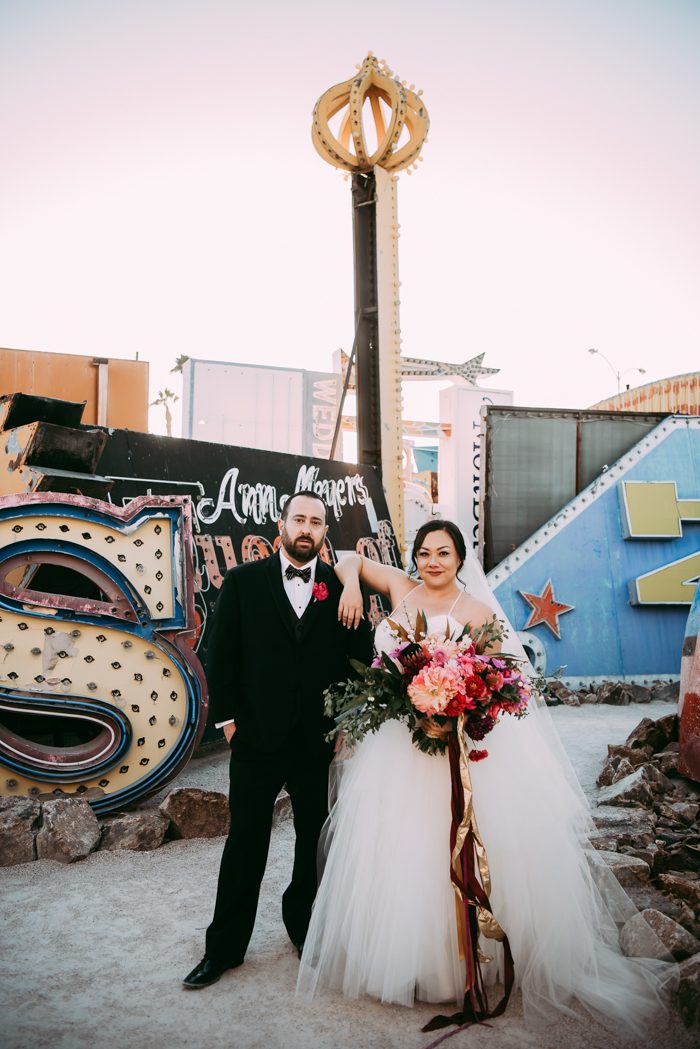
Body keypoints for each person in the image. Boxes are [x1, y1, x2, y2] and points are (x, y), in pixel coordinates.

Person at [297, 519, 674, 1036]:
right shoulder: (401, 589)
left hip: (456, 748)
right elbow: (349, 559)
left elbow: (502, 680)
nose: (433, 562)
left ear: (459, 558)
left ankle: (464, 962)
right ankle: (406, 959)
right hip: (398, 748)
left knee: (462, 844)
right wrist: (353, 585)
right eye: (425, 552)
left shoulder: (474, 611)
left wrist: (457, 705)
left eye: (444, 553)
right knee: (402, 849)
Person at [183, 491, 372, 990]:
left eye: (317, 521)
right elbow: (220, 655)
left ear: (325, 532)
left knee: (313, 842)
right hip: (255, 737)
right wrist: (226, 720)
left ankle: (304, 928)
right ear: (282, 525)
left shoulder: (341, 589)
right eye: (299, 519)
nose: (307, 528)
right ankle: (222, 949)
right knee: (246, 841)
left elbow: (359, 663)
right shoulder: (243, 582)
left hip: (316, 740)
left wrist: (345, 725)